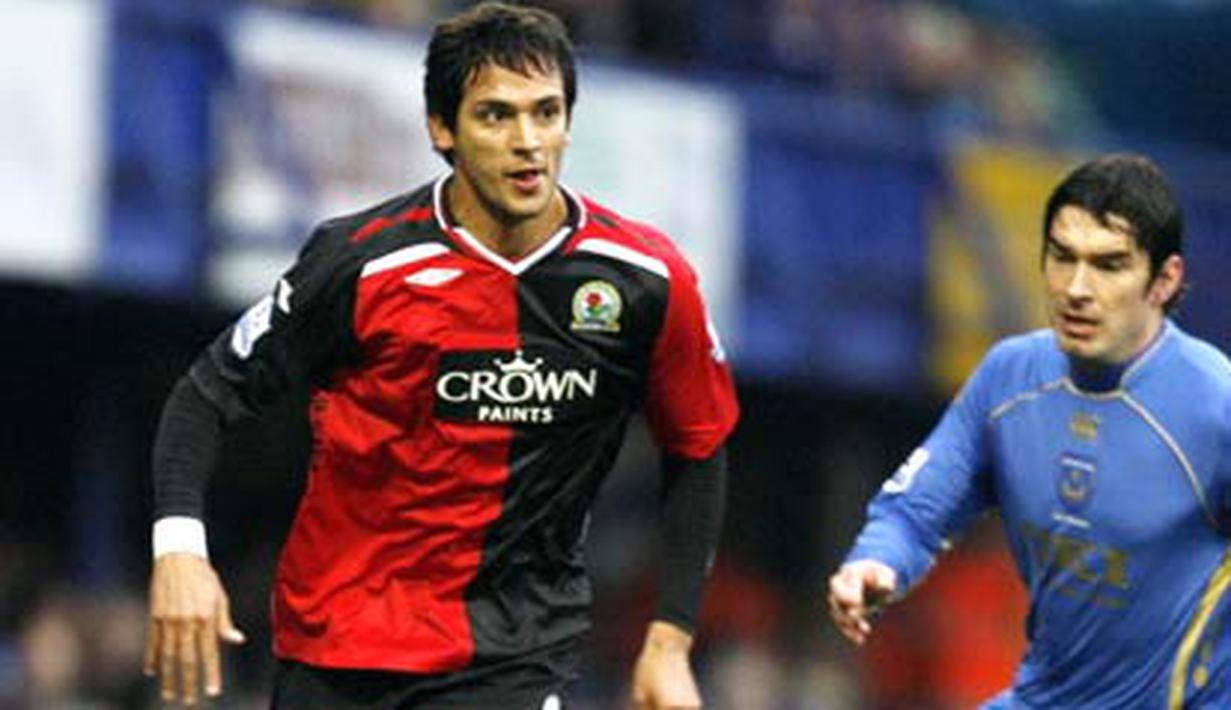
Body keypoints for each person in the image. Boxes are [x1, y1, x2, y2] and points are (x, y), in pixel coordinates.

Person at [142, 3, 739, 708]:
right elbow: (205, 398)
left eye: (545, 113)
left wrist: (669, 641)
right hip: (338, 650)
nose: (528, 142)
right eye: (495, 115)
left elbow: (697, 446)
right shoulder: (361, 264)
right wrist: (179, 548)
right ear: (441, 129)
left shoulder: (644, 281)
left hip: (512, 659)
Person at [828, 153, 1231, 708]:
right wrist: (876, 559)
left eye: (1109, 265)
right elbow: (914, 511)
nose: (1077, 288)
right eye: (1062, 258)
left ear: (1165, 280)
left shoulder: (1215, 404)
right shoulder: (1007, 379)